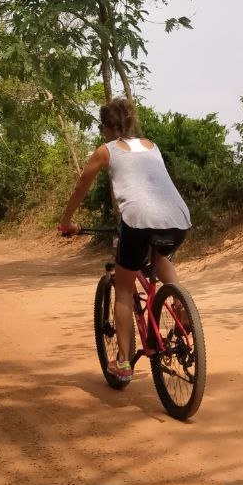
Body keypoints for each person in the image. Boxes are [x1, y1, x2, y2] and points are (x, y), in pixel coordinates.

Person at [58, 98, 192, 383]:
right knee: (160, 258)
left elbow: (81, 186)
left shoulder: (105, 151)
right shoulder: (151, 146)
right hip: (179, 218)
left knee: (123, 290)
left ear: (105, 127)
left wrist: (67, 221)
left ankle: (122, 362)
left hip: (139, 220)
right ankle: (180, 301)